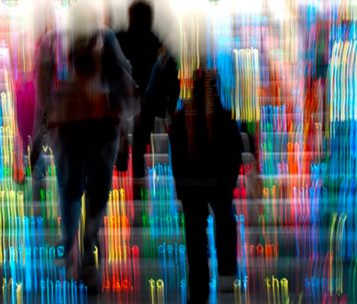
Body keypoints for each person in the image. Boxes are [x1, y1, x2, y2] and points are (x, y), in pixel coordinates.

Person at [30, 2, 136, 294]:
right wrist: (126, 134)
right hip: (103, 130)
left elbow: (42, 95)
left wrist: (37, 136)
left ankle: (70, 242)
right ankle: (88, 246)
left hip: (68, 131)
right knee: (97, 193)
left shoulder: (51, 42)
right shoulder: (106, 38)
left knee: (69, 189)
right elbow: (122, 84)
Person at [169, 68, 242, 303]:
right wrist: (228, 185)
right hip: (218, 184)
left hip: (192, 187)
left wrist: (182, 191)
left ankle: (199, 283)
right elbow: (234, 156)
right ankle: (226, 274)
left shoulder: (182, 120)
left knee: (194, 232)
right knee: (225, 221)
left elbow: (177, 160)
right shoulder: (225, 119)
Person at [116, 1, 166, 199]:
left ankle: (121, 164)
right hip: (147, 99)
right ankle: (138, 190)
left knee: (123, 138)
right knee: (139, 146)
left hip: (125, 97)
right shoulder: (155, 40)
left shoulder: (121, 38)